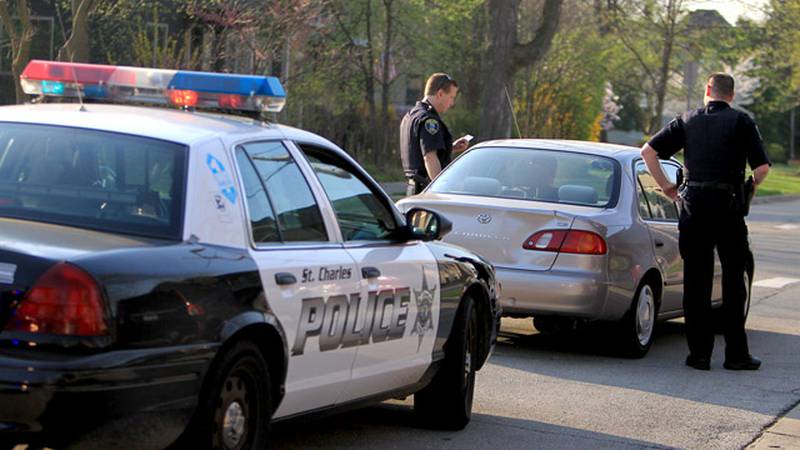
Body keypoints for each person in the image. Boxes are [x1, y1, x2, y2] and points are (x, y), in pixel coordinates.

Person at [640, 73, 771, 371]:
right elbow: (762, 168)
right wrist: (749, 187)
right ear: (732, 95)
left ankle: (699, 355)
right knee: (734, 280)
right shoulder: (742, 122)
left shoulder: (687, 120)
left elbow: (648, 152)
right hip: (729, 208)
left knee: (696, 281)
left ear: (708, 91)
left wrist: (668, 188)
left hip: (694, 206)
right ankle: (736, 355)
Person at [400, 73, 470, 196]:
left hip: (414, 189)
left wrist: (450, 147)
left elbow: (420, 150)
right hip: (426, 190)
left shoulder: (412, 115)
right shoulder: (429, 120)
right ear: (440, 94)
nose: (452, 103)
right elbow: (429, 158)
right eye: (451, 97)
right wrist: (441, 189)